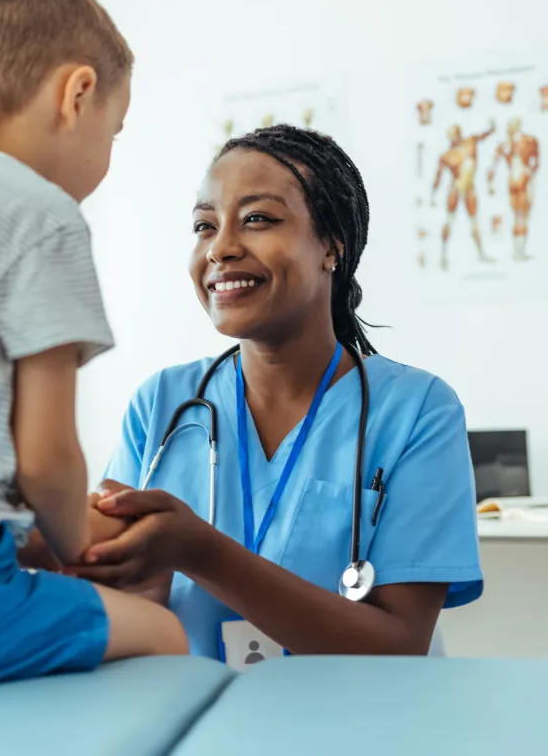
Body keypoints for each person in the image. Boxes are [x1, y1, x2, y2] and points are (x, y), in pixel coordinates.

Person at [74, 124, 483, 662]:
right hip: (194, 724)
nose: (220, 248)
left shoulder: (417, 411)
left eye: (258, 219)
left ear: (331, 245)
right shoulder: (162, 404)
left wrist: (202, 552)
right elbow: (115, 585)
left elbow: (400, 645)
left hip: (355, 731)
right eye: (204, 226)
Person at [0, 0, 187, 693]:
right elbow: (46, 459)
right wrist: (78, 547)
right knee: (162, 630)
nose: (107, 158)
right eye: (115, 132)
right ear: (78, 94)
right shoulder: (37, 210)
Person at [431, 121, 495, 270]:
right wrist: (433, 195)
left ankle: (480, 252)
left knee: (474, 221)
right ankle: (443, 255)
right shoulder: (447, 155)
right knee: (449, 220)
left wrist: (492, 128)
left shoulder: (470, 143)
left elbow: (482, 136)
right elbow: (438, 177)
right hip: (456, 188)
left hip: (469, 188)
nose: (454, 137)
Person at [488, 117, 540, 260]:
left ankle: (520, 249)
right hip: (515, 181)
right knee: (519, 216)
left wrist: (530, 172)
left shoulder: (528, 141)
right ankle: (518, 249)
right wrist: (490, 181)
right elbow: (494, 163)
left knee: (522, 216)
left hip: (523, 178)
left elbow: (535, 160)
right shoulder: (506, 144)